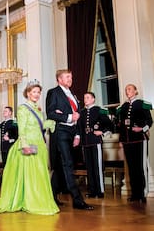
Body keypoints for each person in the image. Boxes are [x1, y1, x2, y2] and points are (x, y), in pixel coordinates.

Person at [0, 80, 59, 215]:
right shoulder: (23, 108)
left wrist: (53, 121)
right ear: (28, 93)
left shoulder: (38, 109)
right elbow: (22, 129)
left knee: (38, 175)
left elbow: (41, 126)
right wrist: (24, 145)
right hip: (29, 144)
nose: (36, 94)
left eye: (38, 92)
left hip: (40, 145)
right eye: (34, 92)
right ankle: (29, 200)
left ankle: (37, 199)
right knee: (30, 174)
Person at [46, 69, 93, 210]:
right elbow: (51, 113)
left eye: (71, 77)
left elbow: (78, 115)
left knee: (61, 167)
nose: (70, 79)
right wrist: (68, 117)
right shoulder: (53, 92)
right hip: (60, 133)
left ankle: (51, 197)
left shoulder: (73, 95)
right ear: (59, 79)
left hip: (72, 133)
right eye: (67, 77)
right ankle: (77, 200)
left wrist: (78, 134)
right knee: (68, 164)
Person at [117, 84, 152, 203]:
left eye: (130, 89)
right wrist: (121, 140)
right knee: (131, 168)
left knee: (140, 167)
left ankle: (143, 193)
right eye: (126, 89)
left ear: (135, 91)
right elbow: (121, 125)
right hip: (127, 141)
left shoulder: (142, 103)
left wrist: (142, 129)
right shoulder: (124, 107)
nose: (127, 91)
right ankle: (135, 194)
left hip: (139, 139)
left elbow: (149, 121)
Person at [78, 92, 113, 198]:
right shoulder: (82, 112)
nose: (85, 99)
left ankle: (100, 191)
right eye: (84, 97)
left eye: (88, 97)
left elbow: (110, 125)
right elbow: (79, 128)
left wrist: (102, 132)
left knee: (97, 166)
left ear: (93, 99)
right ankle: (92, 190)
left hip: (95, 141)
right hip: (86, 142)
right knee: (89, 167)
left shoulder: (99, 110)